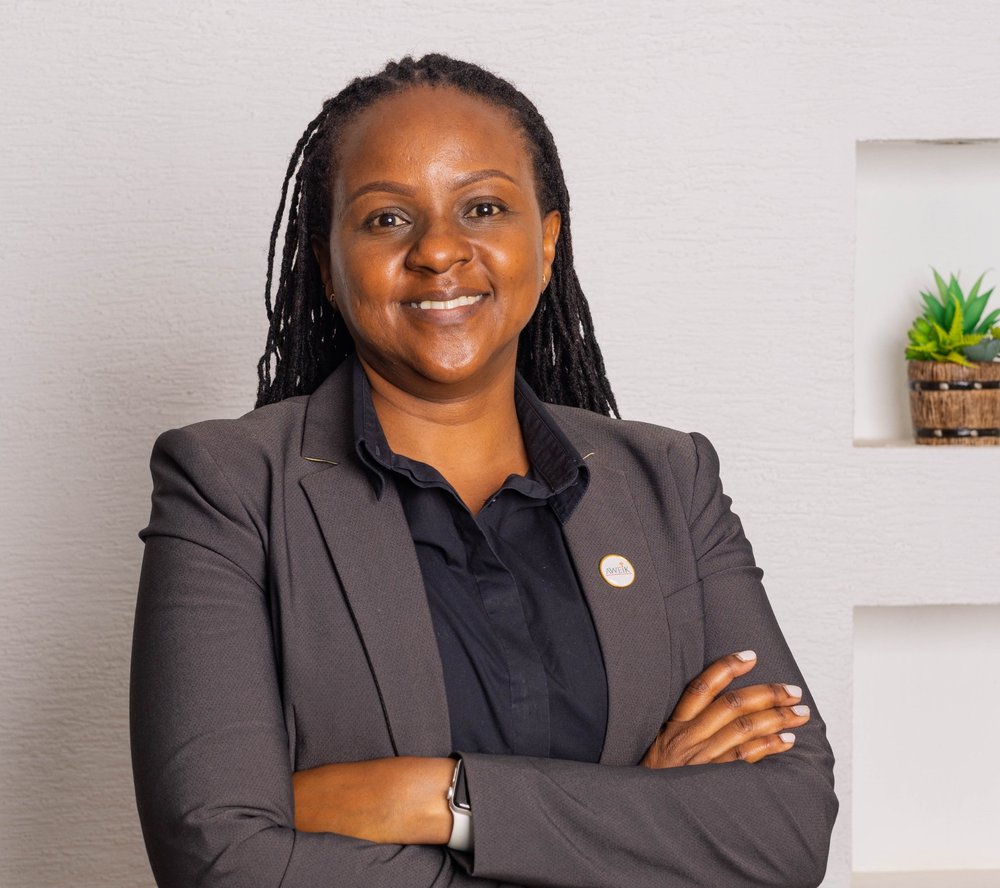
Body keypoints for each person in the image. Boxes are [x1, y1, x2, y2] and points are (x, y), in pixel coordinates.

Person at [130, 54, 837, 887]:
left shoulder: (669, 480)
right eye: (387, 219)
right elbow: (223, 863)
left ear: (544, 242)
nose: (438, 250)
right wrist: (639, 817)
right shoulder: (230, 487)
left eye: (484, 207)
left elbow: (788, 829)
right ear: (327, 263)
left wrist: (449, 801)